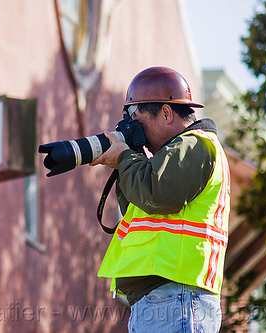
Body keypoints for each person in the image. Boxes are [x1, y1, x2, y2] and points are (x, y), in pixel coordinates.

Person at [90, 66, 230, 332]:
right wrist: (126, 161)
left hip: (177, 297)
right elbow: (141, 202)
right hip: (165, 300)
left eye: (136, 117)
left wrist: (123, 157)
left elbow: (157, 195)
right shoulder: (172, 158)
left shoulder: (196, 144)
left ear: (166, 113)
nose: (133, 126)